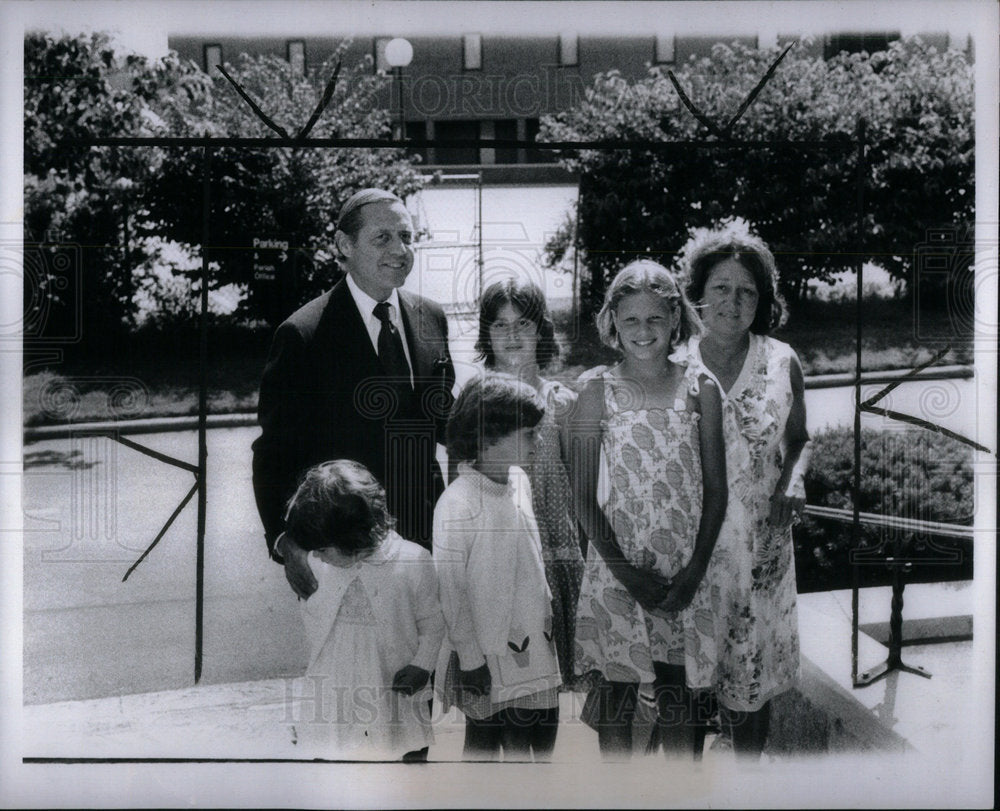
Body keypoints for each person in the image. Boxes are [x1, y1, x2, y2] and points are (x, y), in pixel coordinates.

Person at [252, 188, 456, 599]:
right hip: (343, 547)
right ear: (345, 245)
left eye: (407, 237)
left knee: (431, 657)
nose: (401, 250)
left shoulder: (430, 316)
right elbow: (274, 453)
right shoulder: (303, 335)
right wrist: (285, 542)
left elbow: (442, 420)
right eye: (383, 238)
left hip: (427, 540)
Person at [567, 260, 727, 759]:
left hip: (685, 567)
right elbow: (582, 497)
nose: (643, 331)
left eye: (655, 319)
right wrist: (626, 574)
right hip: (619, 565)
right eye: (631, 319)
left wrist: (696, 570)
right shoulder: (596, 390)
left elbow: (717, 492)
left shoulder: (701, 388)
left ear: (676, 319)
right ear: (613, 320)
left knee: (678, 690)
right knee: (617, 690)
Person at [677, 223, 811, 760]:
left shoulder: (783, 361)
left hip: (762, 551)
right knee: (685, 692)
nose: (734, 302)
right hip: (690, 553)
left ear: (763, 300)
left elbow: (800, 440)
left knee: (751, 695)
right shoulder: (669, 362)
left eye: (748, 291)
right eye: (721, 288)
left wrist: (794, 477)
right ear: (698, 296)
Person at [433, 374, 562, 762]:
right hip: (488, 657)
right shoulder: (458, 503)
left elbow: (531, 559)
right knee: (489, 745)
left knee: (542, 742)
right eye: (529, 434)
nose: (538, 442)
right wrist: (471, 659)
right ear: (489, 436)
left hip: (535, 644)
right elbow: (450, 590)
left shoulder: (519, 481)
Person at [284, 459, 445, 761]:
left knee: (400, 760)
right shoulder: (321, 565)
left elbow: (433, 623)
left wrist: (423, 665)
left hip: (389, 685)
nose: (315, 555)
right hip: (334, 689)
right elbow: (315, 627)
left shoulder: (412, 562)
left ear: (354, 538)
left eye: (323, 548)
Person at [475, 278, 585, 689]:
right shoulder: (475, 401)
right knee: (503, 688)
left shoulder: (562, 403)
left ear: (541, 329)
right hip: (498, 562)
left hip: (555, 558)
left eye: (523, 323)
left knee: (549, 690)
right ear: (487, 333)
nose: (512, 335)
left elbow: (585, 494)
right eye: (500, 325)